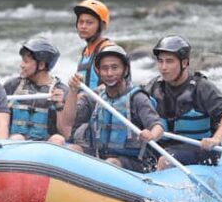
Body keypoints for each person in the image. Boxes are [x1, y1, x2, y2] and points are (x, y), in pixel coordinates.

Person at [142, 35, 222, 171]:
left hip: (200, 149)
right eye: (160, 61)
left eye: (169, 61)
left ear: (184, 63)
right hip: (165, 146)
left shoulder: (201, 87)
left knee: (165, 161)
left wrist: (216, 139)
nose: (163, 67)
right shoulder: (154, 86)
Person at [61, 44, 163, 172]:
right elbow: (68, 121)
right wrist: (73, 91)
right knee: (71, 150)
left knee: (110, 163)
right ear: (98, 71)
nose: (109, 73)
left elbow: (157, 126)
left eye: (115, 68)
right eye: (105, 68)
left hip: (134, 162)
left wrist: (151, 135)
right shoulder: (96, 97)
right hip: (101, 156)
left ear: (125, 70)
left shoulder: (137, 98)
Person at [3, 37, 69, 145]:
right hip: (15, 144)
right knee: (17, 138)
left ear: (41, 65)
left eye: (26, 61)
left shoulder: (62, 91)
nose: (21, 65)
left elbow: (65, 134)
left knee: (58, 139)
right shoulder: (12, 85)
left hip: (45, 147)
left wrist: (59, 106)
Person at [73, 0, 113, 90]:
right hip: (84, 102)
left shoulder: (108, 50)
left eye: (89, 23)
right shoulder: (86, 51)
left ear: (102, 25)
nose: (83, 26)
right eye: (81, 22)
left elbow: (115, 86)